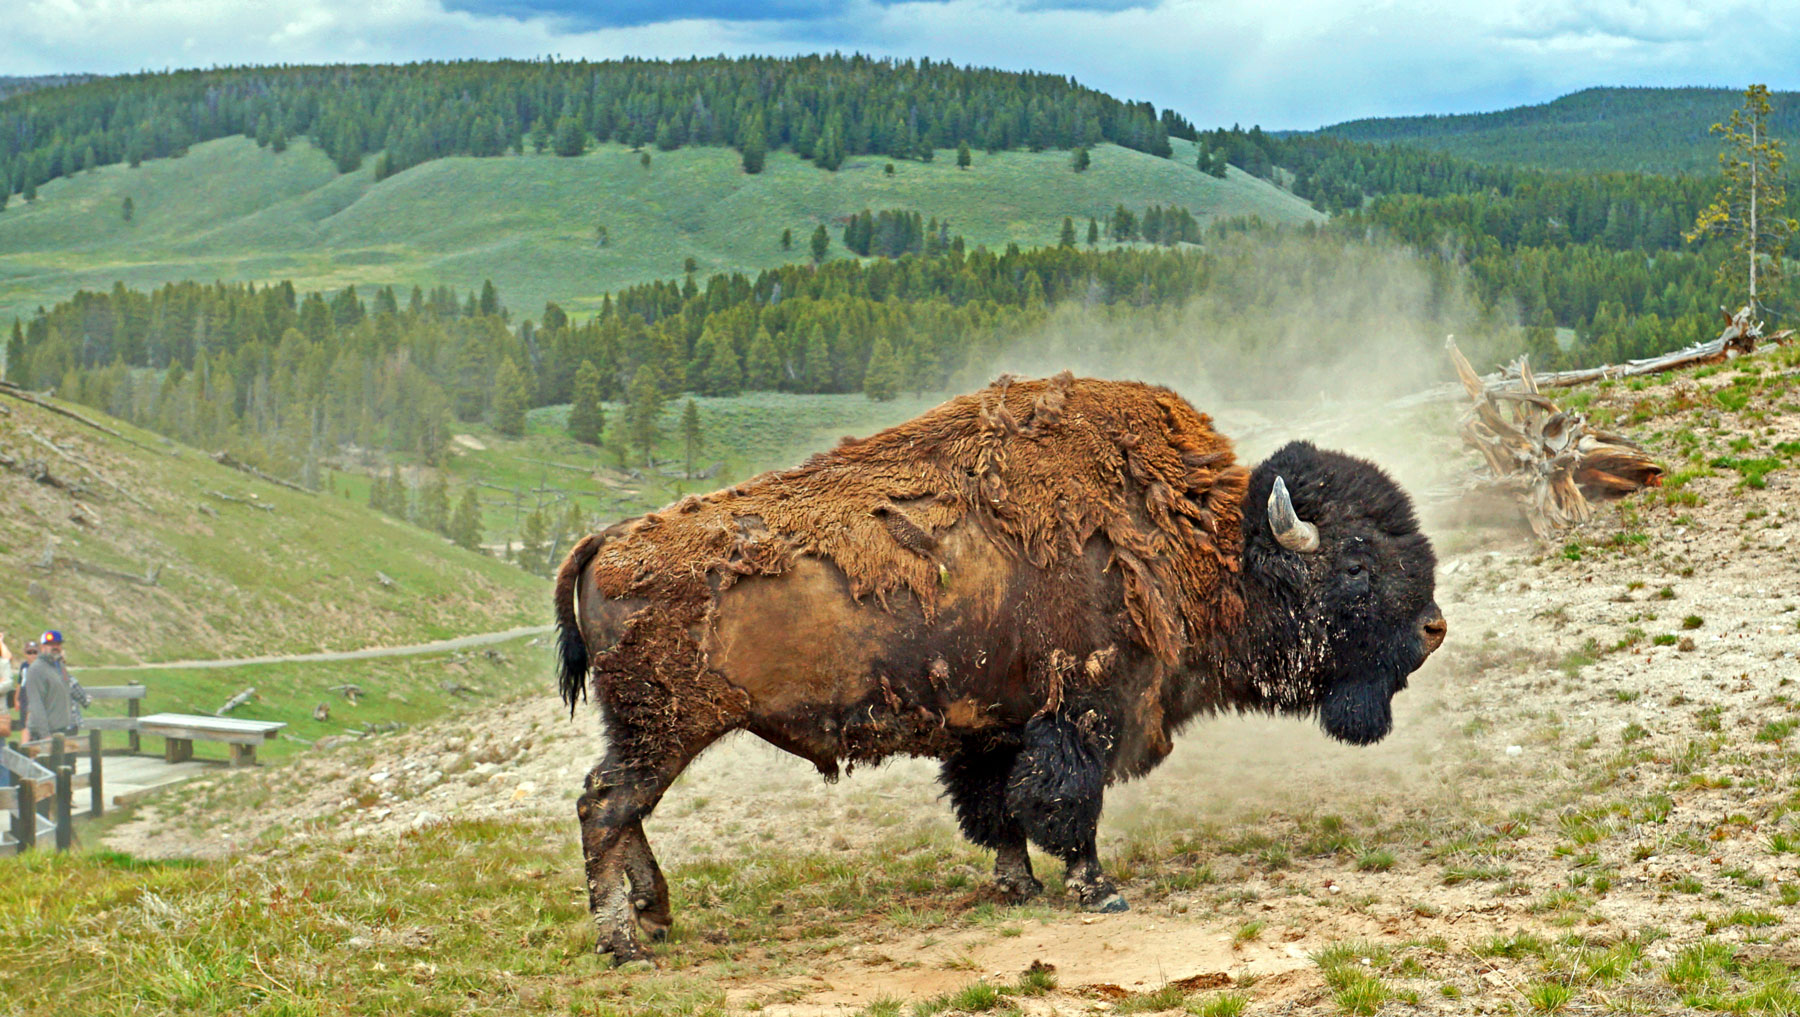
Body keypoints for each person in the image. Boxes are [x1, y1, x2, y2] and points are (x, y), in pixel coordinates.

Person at [22, 629, 89, 741]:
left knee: (68, 759)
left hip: (63, 731)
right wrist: (45, 735)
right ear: (42, 647)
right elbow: (36, 705)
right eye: (50, 644)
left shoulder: (59, 666)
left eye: (57, 644)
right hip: (44, 734)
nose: (55, 647)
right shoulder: (36, 669)